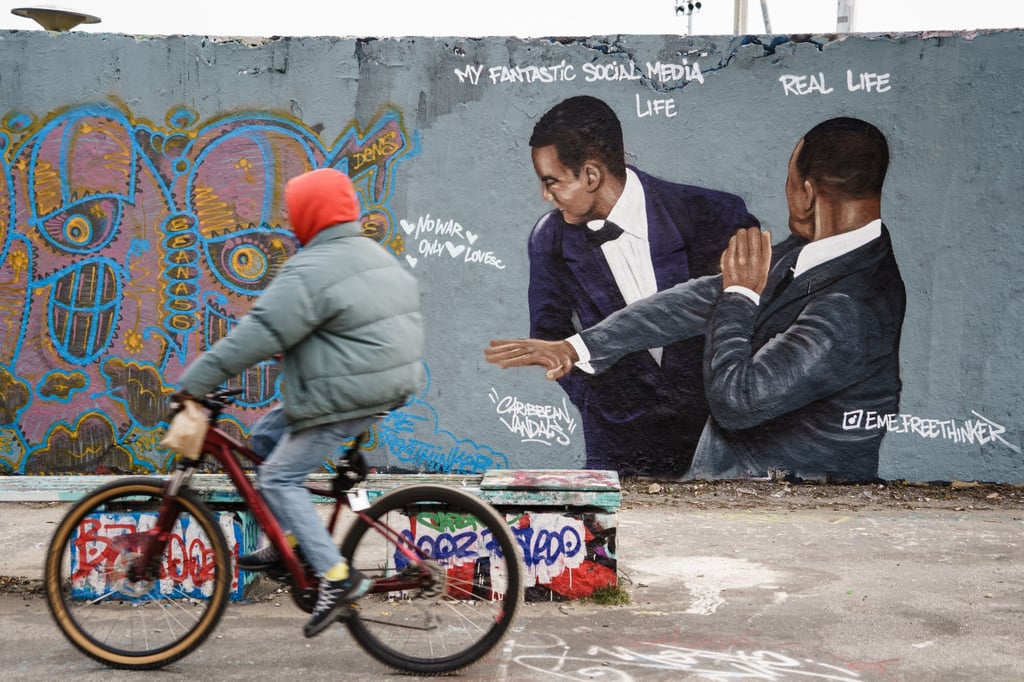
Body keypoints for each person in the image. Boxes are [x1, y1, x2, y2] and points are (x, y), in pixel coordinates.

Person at [487, 117, 905, 482]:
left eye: (790, 182)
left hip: (786, 516)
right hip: (726, 491)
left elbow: (739, 400)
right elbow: (695, 301)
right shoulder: (805, 252)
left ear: (807, 194)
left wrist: (741, 295)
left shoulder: (851, 307)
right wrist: (577, 347)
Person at [174, 167, 425, 637]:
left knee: (276, 475)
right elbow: (349, 322)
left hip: (347, 391)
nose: (291, 224)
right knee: (265, 438)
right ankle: (289, 540)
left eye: (294, 213)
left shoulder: (313, 267)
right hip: (370, 382)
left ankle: (335, 576)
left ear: (309, 214)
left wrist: (194, 383)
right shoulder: (368, 253)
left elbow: (258, 332)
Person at [526, 95, 758, 477]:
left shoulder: (714, 215)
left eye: (552, 182)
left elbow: (753, 309)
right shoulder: (549, 238)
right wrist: (598, 401)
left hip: (715, 449)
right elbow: (549, 333)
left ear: (590, 176)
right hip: (618, 452)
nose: (545, 195)